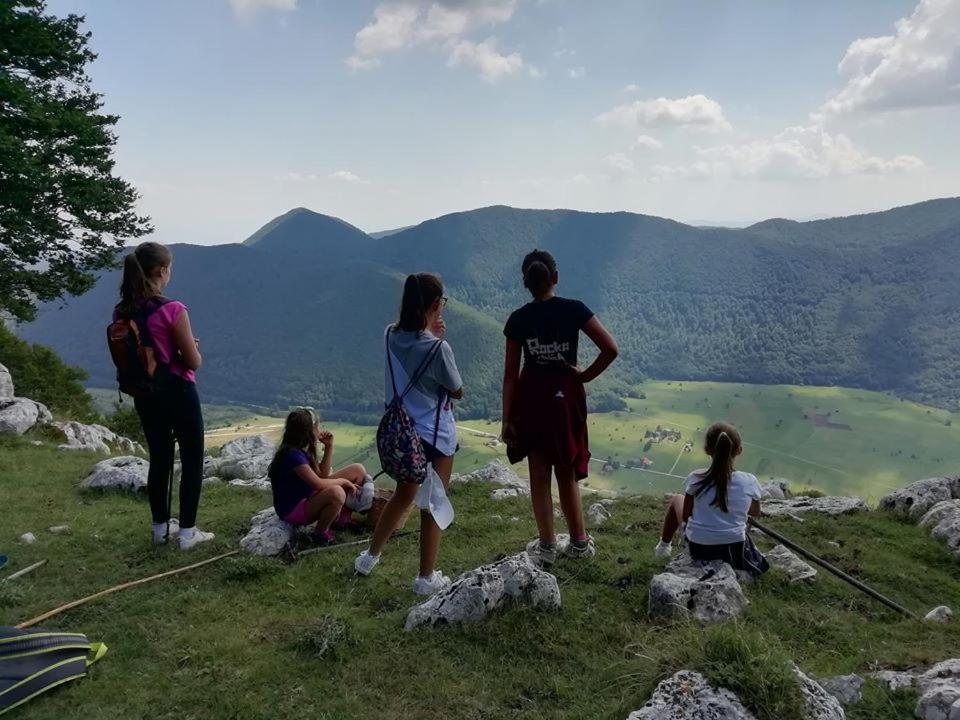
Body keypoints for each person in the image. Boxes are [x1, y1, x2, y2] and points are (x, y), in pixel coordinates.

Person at [501, 249, 619, 565]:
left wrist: (506, 418)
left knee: (538, 473)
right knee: (566, 471)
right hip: (566, 398)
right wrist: (583, 376)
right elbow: (610, 348)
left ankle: (547, 546)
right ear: (555, 277)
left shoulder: (518, 319)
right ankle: (579, 542)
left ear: (526, 282)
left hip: (531, 400)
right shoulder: (574, 310)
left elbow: (510, 375)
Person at [354, 273, 464, 595]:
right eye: (441, 303)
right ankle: (425, 578)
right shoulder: (439, 349)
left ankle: (369, 557)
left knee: (402, 496)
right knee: (433, 503)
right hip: (434, 437)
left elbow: (410, 344)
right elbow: (456, 390)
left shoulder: (389, 335)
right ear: (434, 304)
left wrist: (429, 332)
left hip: (402, 436)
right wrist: (435, 338)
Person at [115, 242, 212, 550]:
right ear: (161, 270)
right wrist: (194, 349)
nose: (170, 273)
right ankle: (187, 534)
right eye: (169, 268)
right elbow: (192, 361)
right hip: (179, 391)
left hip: (145, 394)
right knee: (193, 458)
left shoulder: (124, 309)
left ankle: (159, 530)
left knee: (160, 459)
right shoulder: (173, 309)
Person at [654, 422, 769, 577]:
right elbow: (755, 512)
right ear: (739, 450)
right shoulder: (749, 481)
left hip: (699, 548)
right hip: (734, 548)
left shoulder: (696, 479)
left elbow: (687, 516)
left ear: (707, 450)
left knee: (676, 499)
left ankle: (663, 547)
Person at [267, 408, 373, 544]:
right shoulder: (293, 456)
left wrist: (329, 447)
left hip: (307, 498)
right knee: (337, 492)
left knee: (357, 470)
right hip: (293, 510)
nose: (320, 429)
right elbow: (318, 483)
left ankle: (341, 518)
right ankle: (320, 533)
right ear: (308, 432)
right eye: (317, 426)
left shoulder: (300, 451)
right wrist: (343, 481)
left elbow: (322, 475)